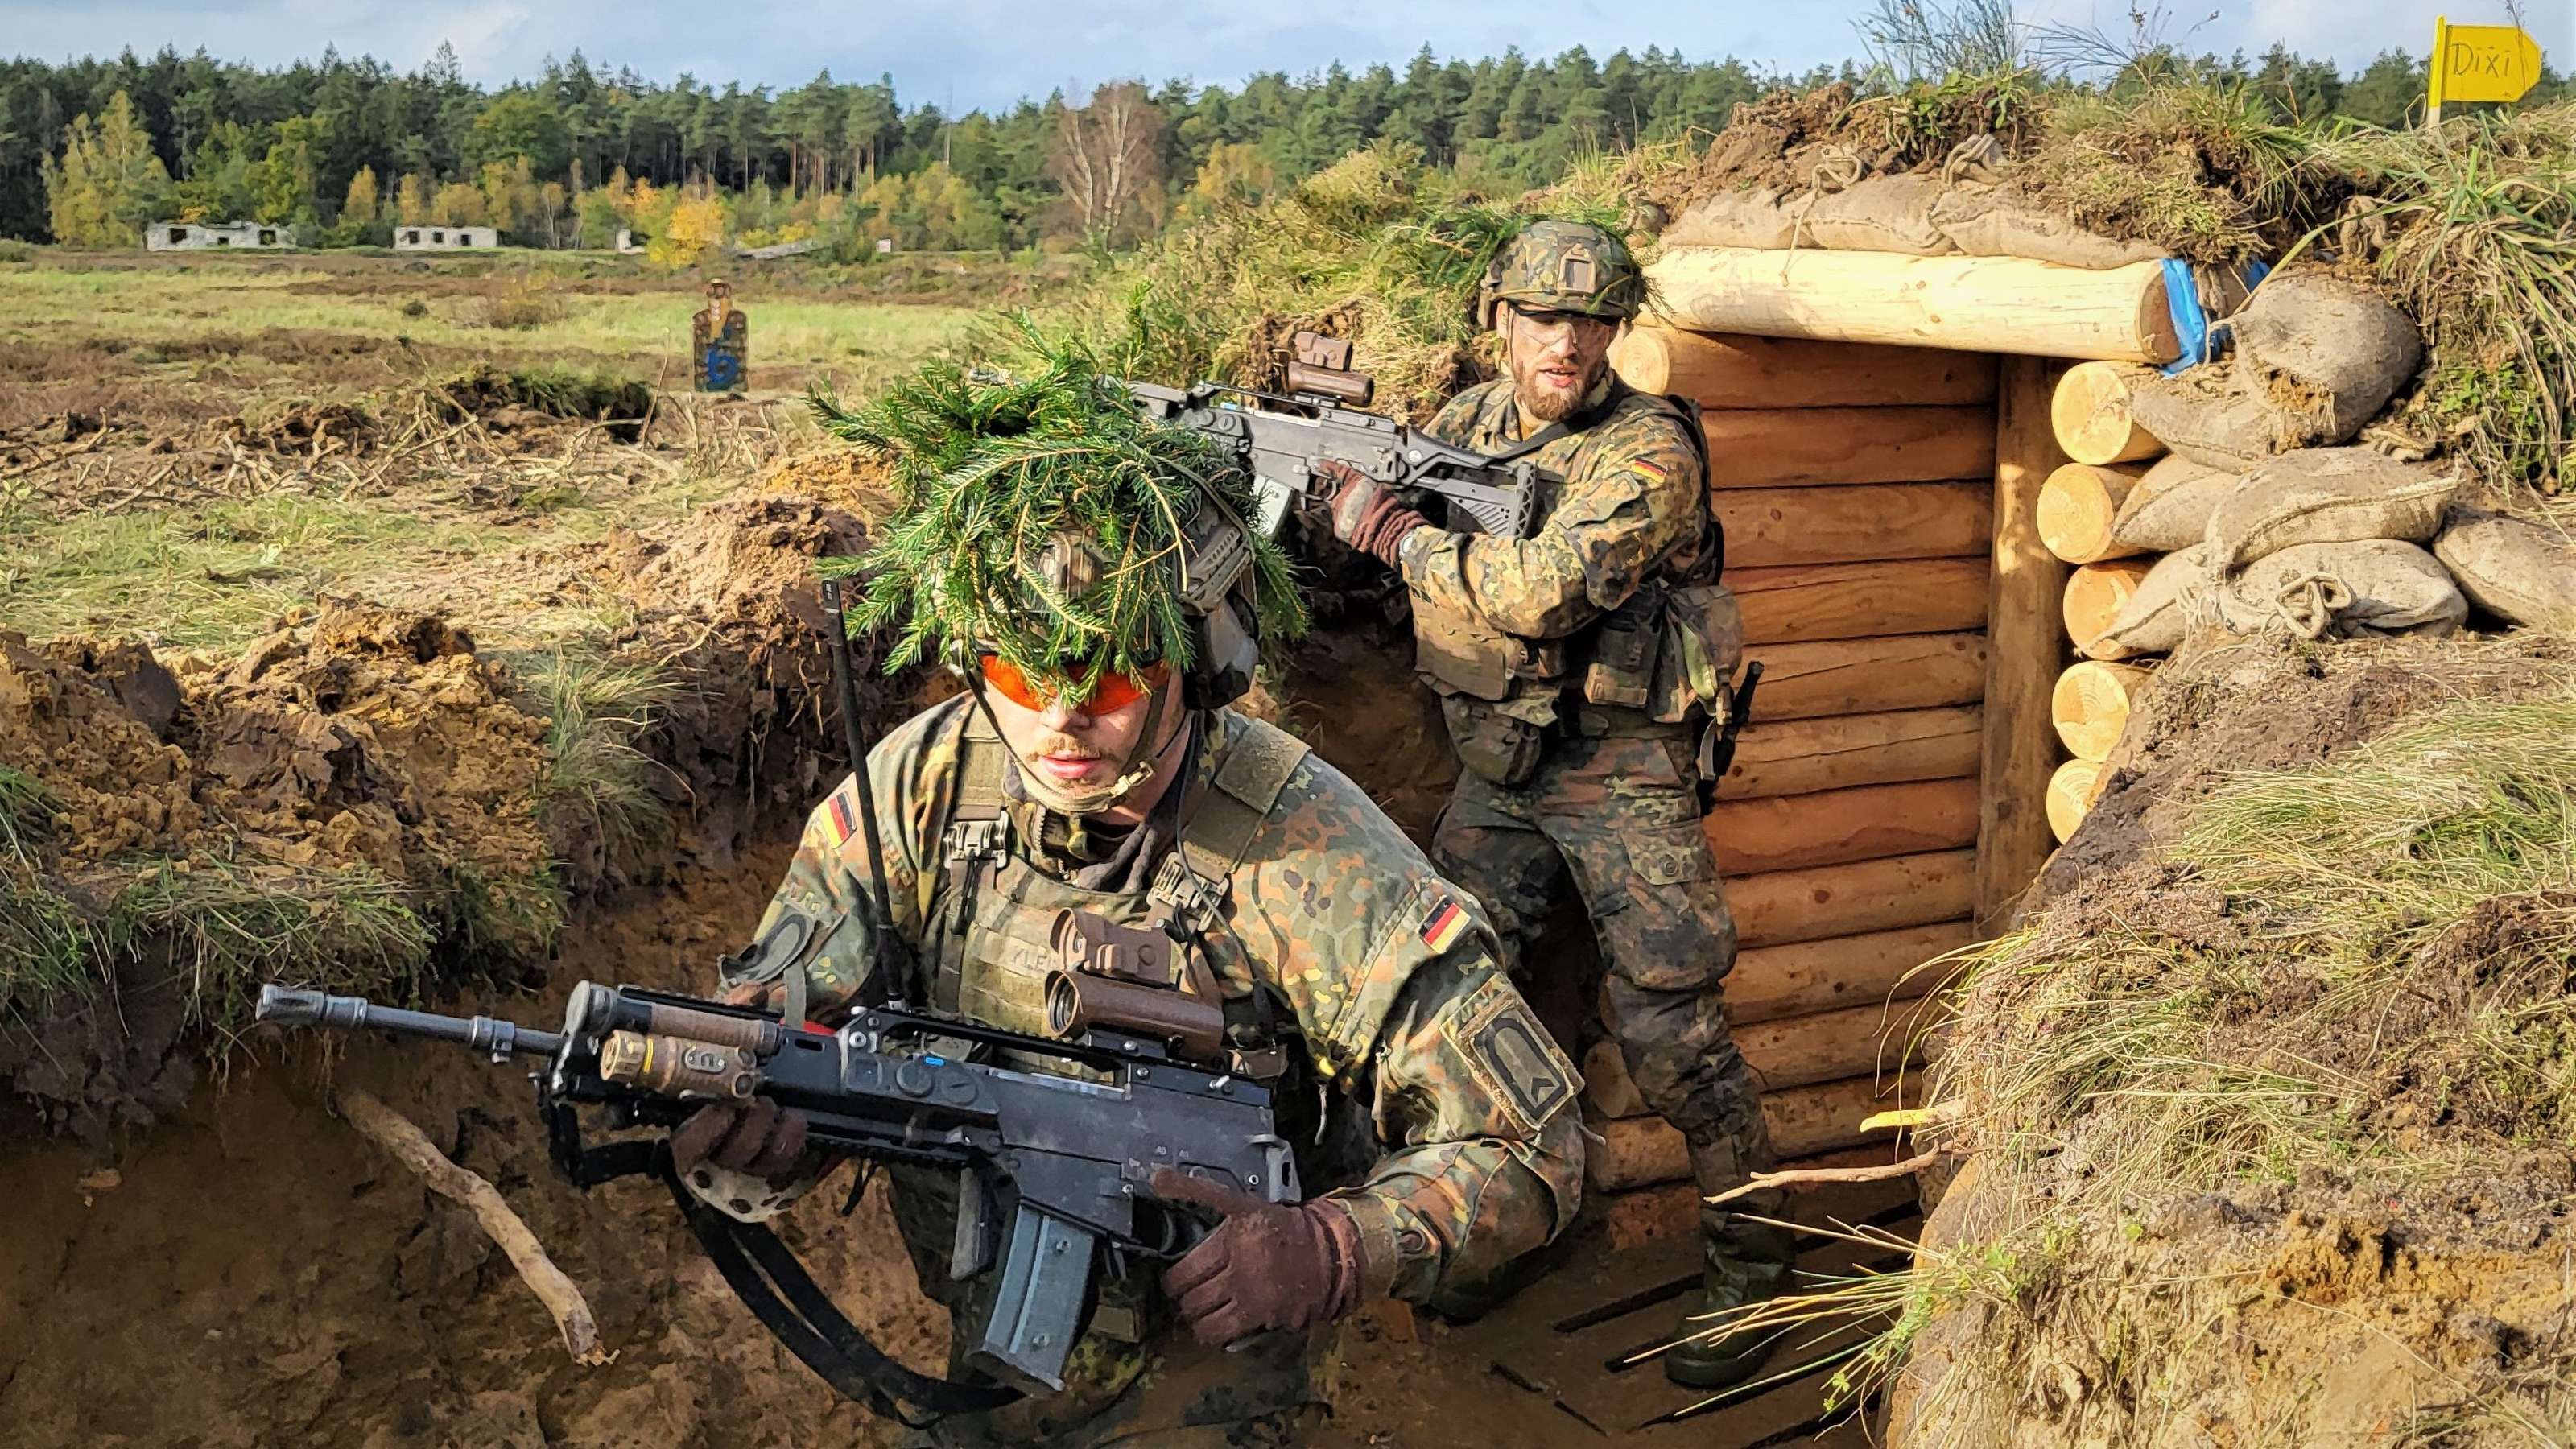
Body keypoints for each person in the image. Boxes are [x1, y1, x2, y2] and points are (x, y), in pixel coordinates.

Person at [675, 346, 1583, 1447]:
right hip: (995, 1377)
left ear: (1197, 659)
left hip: (1216, 1396)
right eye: (1017, 676)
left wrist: (1339, 1248)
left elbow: (1529, 1146)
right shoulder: (916, 787)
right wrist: (757, 1112)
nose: (1058, 722)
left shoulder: (1312, 853)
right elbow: (794, 1016)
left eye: (1104, 679)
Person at [1316, 219, 1794, 1389]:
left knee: (1674, 1036)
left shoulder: (1648, 452)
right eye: (1541, 318)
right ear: (1500, 321)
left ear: (1617, 333)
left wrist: (1394, 535)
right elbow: (1389, 522)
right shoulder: (1472, 426)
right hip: (1501, 770)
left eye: (1589, 323)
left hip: (1619, 775)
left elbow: (1538, 593)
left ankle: (1756, 1269)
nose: (1565, 343)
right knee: (1445, 993)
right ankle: (1490, 1231)